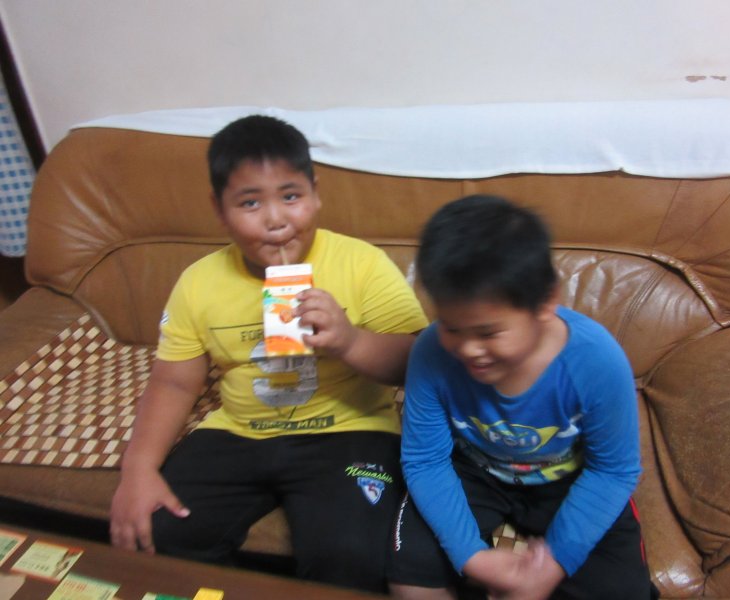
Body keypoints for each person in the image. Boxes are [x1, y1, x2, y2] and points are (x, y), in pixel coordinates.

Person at [110, 114, 429, 593]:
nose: (276, 219)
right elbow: (173, 382)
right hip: (238, 431)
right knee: (158, 530)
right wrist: (138, 468)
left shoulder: (360, 264)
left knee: (351, 555)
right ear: (219, 210)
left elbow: (417, 362)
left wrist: (349, 340)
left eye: (291, 196)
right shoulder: (199, 282)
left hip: (349, 430)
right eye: (250, 202)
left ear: (315, 195)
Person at [387, 195, 657, 599]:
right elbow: (425, 460)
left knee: (622, 591)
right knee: (411, 577)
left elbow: (614, 471)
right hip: (472, 470)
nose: (468, 349)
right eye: (451, 327)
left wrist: (556, 560)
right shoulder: (431, 352)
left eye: (489, 333)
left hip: (569, 477)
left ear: (545, 301)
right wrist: (471, 557)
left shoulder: (597, 361)